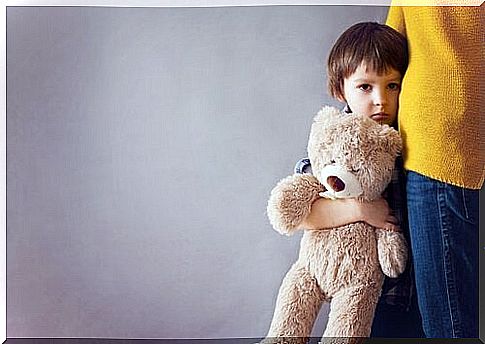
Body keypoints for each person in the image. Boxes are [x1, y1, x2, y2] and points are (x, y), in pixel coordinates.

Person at [294, 22, 424, 338]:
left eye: (392, 86)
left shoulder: (407, 144)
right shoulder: (333, 144)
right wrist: (361, 211)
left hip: (400, 291)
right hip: (351, 291)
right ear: (341, 90)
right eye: (365, 87)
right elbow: (303, 215)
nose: (380, 100)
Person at [384, 4, 483, 338]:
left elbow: (387, 51)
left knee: (450, 323)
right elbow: (386, 51)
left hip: (439, 147)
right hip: (440, 150)